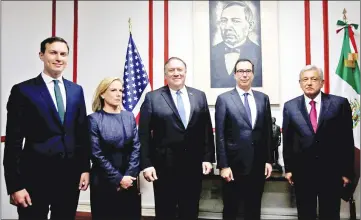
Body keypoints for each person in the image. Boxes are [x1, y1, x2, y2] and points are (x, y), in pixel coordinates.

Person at [3, 36, 90, 220]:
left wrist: (84, 168)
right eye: (53, 53)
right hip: (34, 178)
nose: (59, 58)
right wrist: (15, 185)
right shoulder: (23, 91)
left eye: (63, 54)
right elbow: (13, 142)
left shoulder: (76, 90)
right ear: (41, 55)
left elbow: (81, 134)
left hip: (69, 178)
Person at [139, 57, 215, 220]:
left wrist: (208, 158)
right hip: (163, 167)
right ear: (165, 74)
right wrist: (146, 164)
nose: (176, 73)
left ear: (185, 72)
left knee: (190, 210)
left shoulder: (199, 96)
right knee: (165, 211)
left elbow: (206, 130)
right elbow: (143, 134)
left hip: (193, 166)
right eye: (171, 70)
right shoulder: (153, 98)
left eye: (179, 70)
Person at [282, 65, 354, 220]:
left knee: (330, 213)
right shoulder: (290, 106)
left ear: (322, 82)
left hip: (332, 172)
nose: (309, 83)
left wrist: (347, 172)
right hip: (302, 172)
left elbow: (347, 140)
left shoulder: (339, 104)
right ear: (300, 83)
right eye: (305, 79)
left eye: (314, 79)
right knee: (305, 213)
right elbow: (288, 140)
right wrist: (288, 168)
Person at [215, 58, 272, 220]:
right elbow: (220, 135)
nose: (244, 75)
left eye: (248, 71)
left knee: (253, 208)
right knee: (231, 208)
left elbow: (267, 132)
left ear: (253, 74)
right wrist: (223, 165)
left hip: (258, 164)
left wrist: (268, 160)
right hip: (233, 166)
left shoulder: (263, 98)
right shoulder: (224, 99)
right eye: (240, 71)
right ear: (234, 75)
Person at [88, 77, 141, 220]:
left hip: (129, 180)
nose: (119, 94)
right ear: (102, 94)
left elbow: (136, 148)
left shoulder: (129, 117)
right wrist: (118, 179)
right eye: (113, 90)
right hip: (104, 182)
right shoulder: (94, 119)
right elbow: (96, 154)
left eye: (121, 90)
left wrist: (128, 177)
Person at [211, 1, 262, 88]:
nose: (227, 27)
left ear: (250, 26)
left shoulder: (260, 53)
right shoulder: (211, 52)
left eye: (236, 21)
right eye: (224, 21)